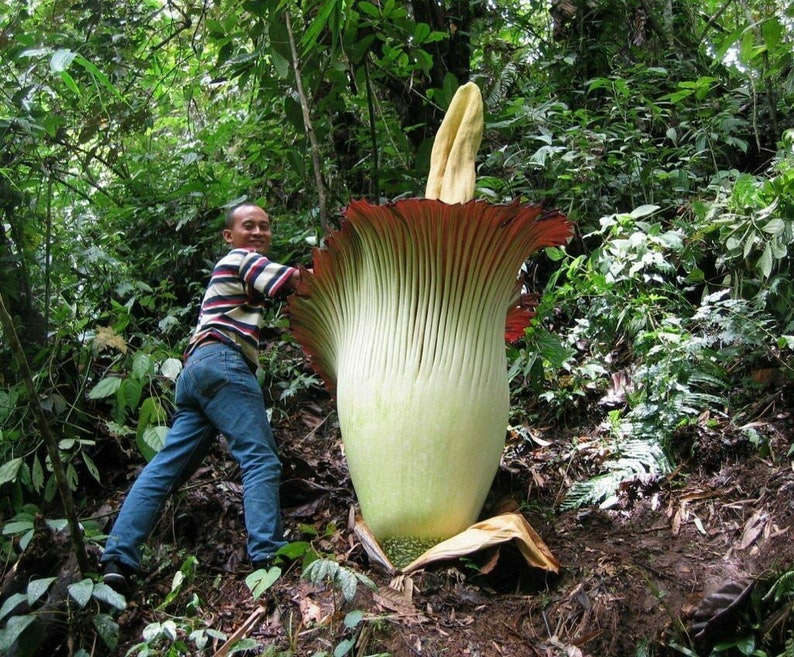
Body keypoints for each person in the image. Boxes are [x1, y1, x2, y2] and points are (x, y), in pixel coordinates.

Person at [101, 203, 304, 593]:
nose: (259, 232)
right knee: (260, 458)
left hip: (195, 371)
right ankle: (268, 555)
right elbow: (294, 281)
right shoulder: (242, 258)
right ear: (229, 235)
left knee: (165, 470)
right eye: (249, 226)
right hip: (224, 363)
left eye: (265, 226)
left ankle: (118, 557)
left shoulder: (237, 269)